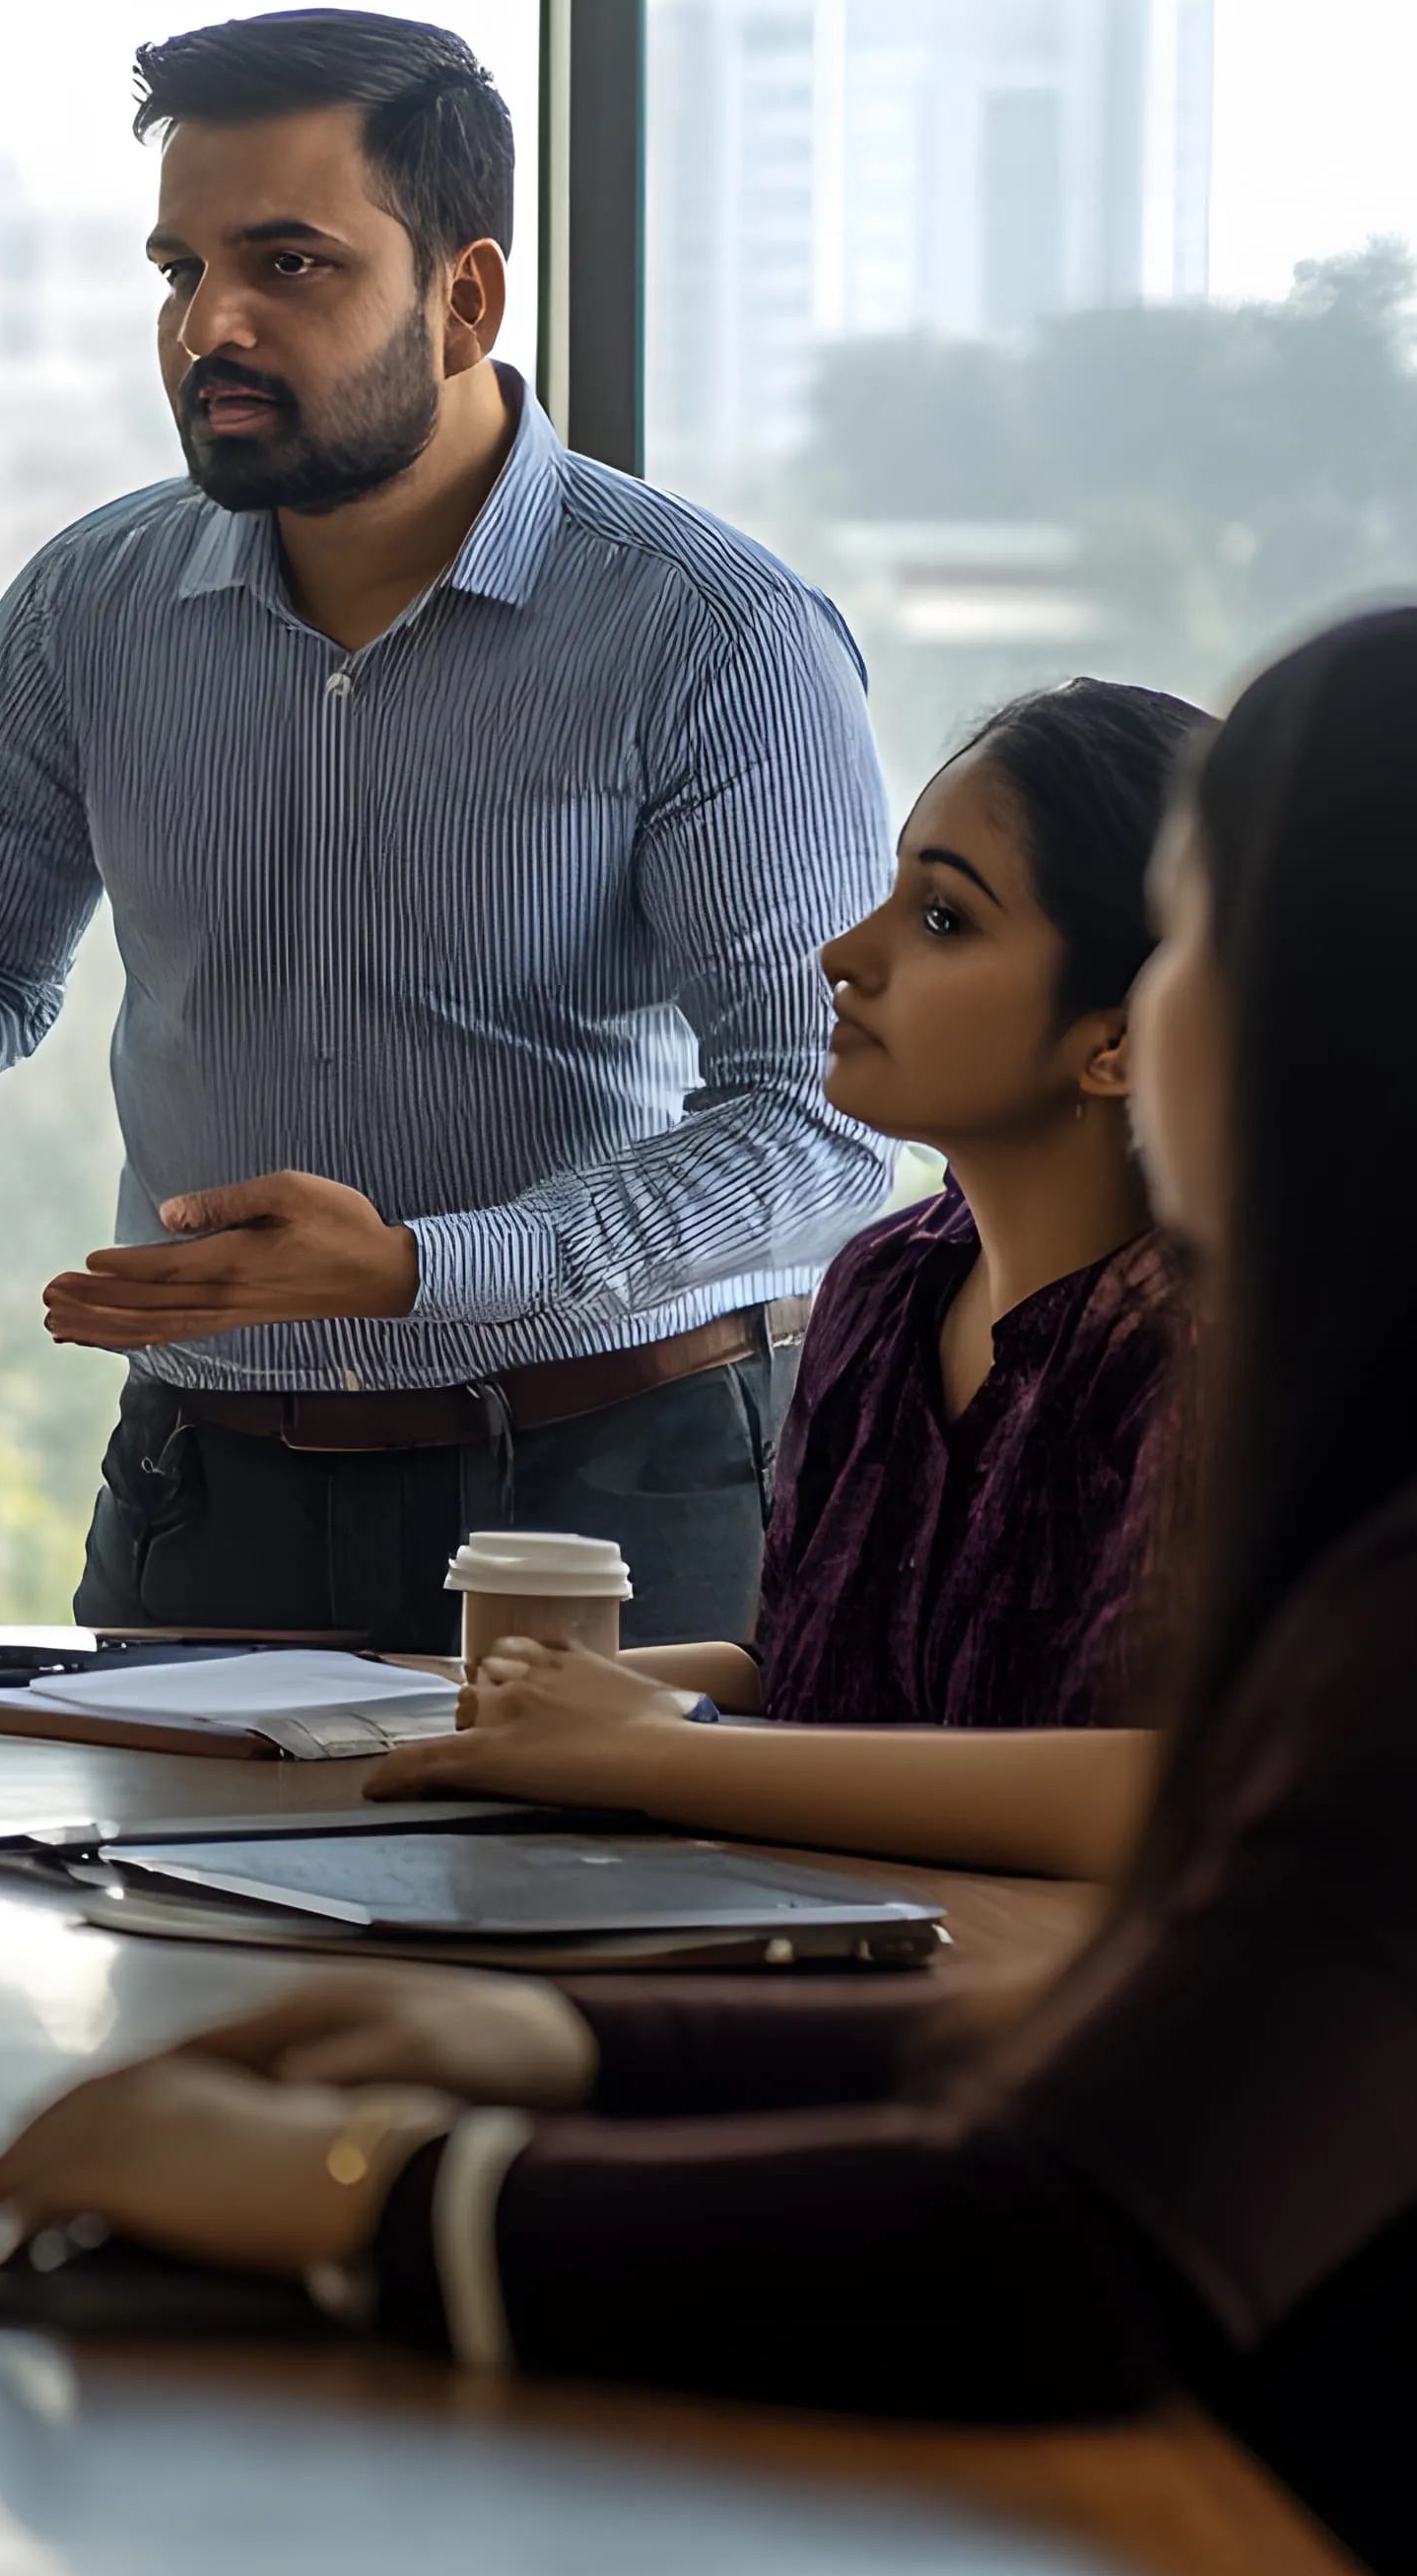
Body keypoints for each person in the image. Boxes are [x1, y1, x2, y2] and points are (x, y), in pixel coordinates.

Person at [0, 602, 1417, 2576]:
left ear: (1383, 1020)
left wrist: (370, 2193)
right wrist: (562, 2052)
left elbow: (1064, 2246)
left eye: (1214, 929)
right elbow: (1188, 2051)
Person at [0, 10, 887, 1650]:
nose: (214, 323)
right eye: (178, 269)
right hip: (207, 1491)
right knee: (164, 1916)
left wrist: (426, 1266)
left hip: (605, 1497)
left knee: (603, 1920)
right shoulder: (88, 607)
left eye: (289, 263)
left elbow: (830, 1126)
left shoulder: (712, 633)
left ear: (464, 294)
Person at [365, 681, 1208, 1879]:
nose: (846, 952)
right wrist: (430, 1702)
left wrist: (655, 1754)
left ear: (1119, 1036)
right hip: (820, 1943)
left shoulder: (1209, 1343)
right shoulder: (883, 1281)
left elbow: (1158, 1787)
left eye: (944, 919)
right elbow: (804, 1674)